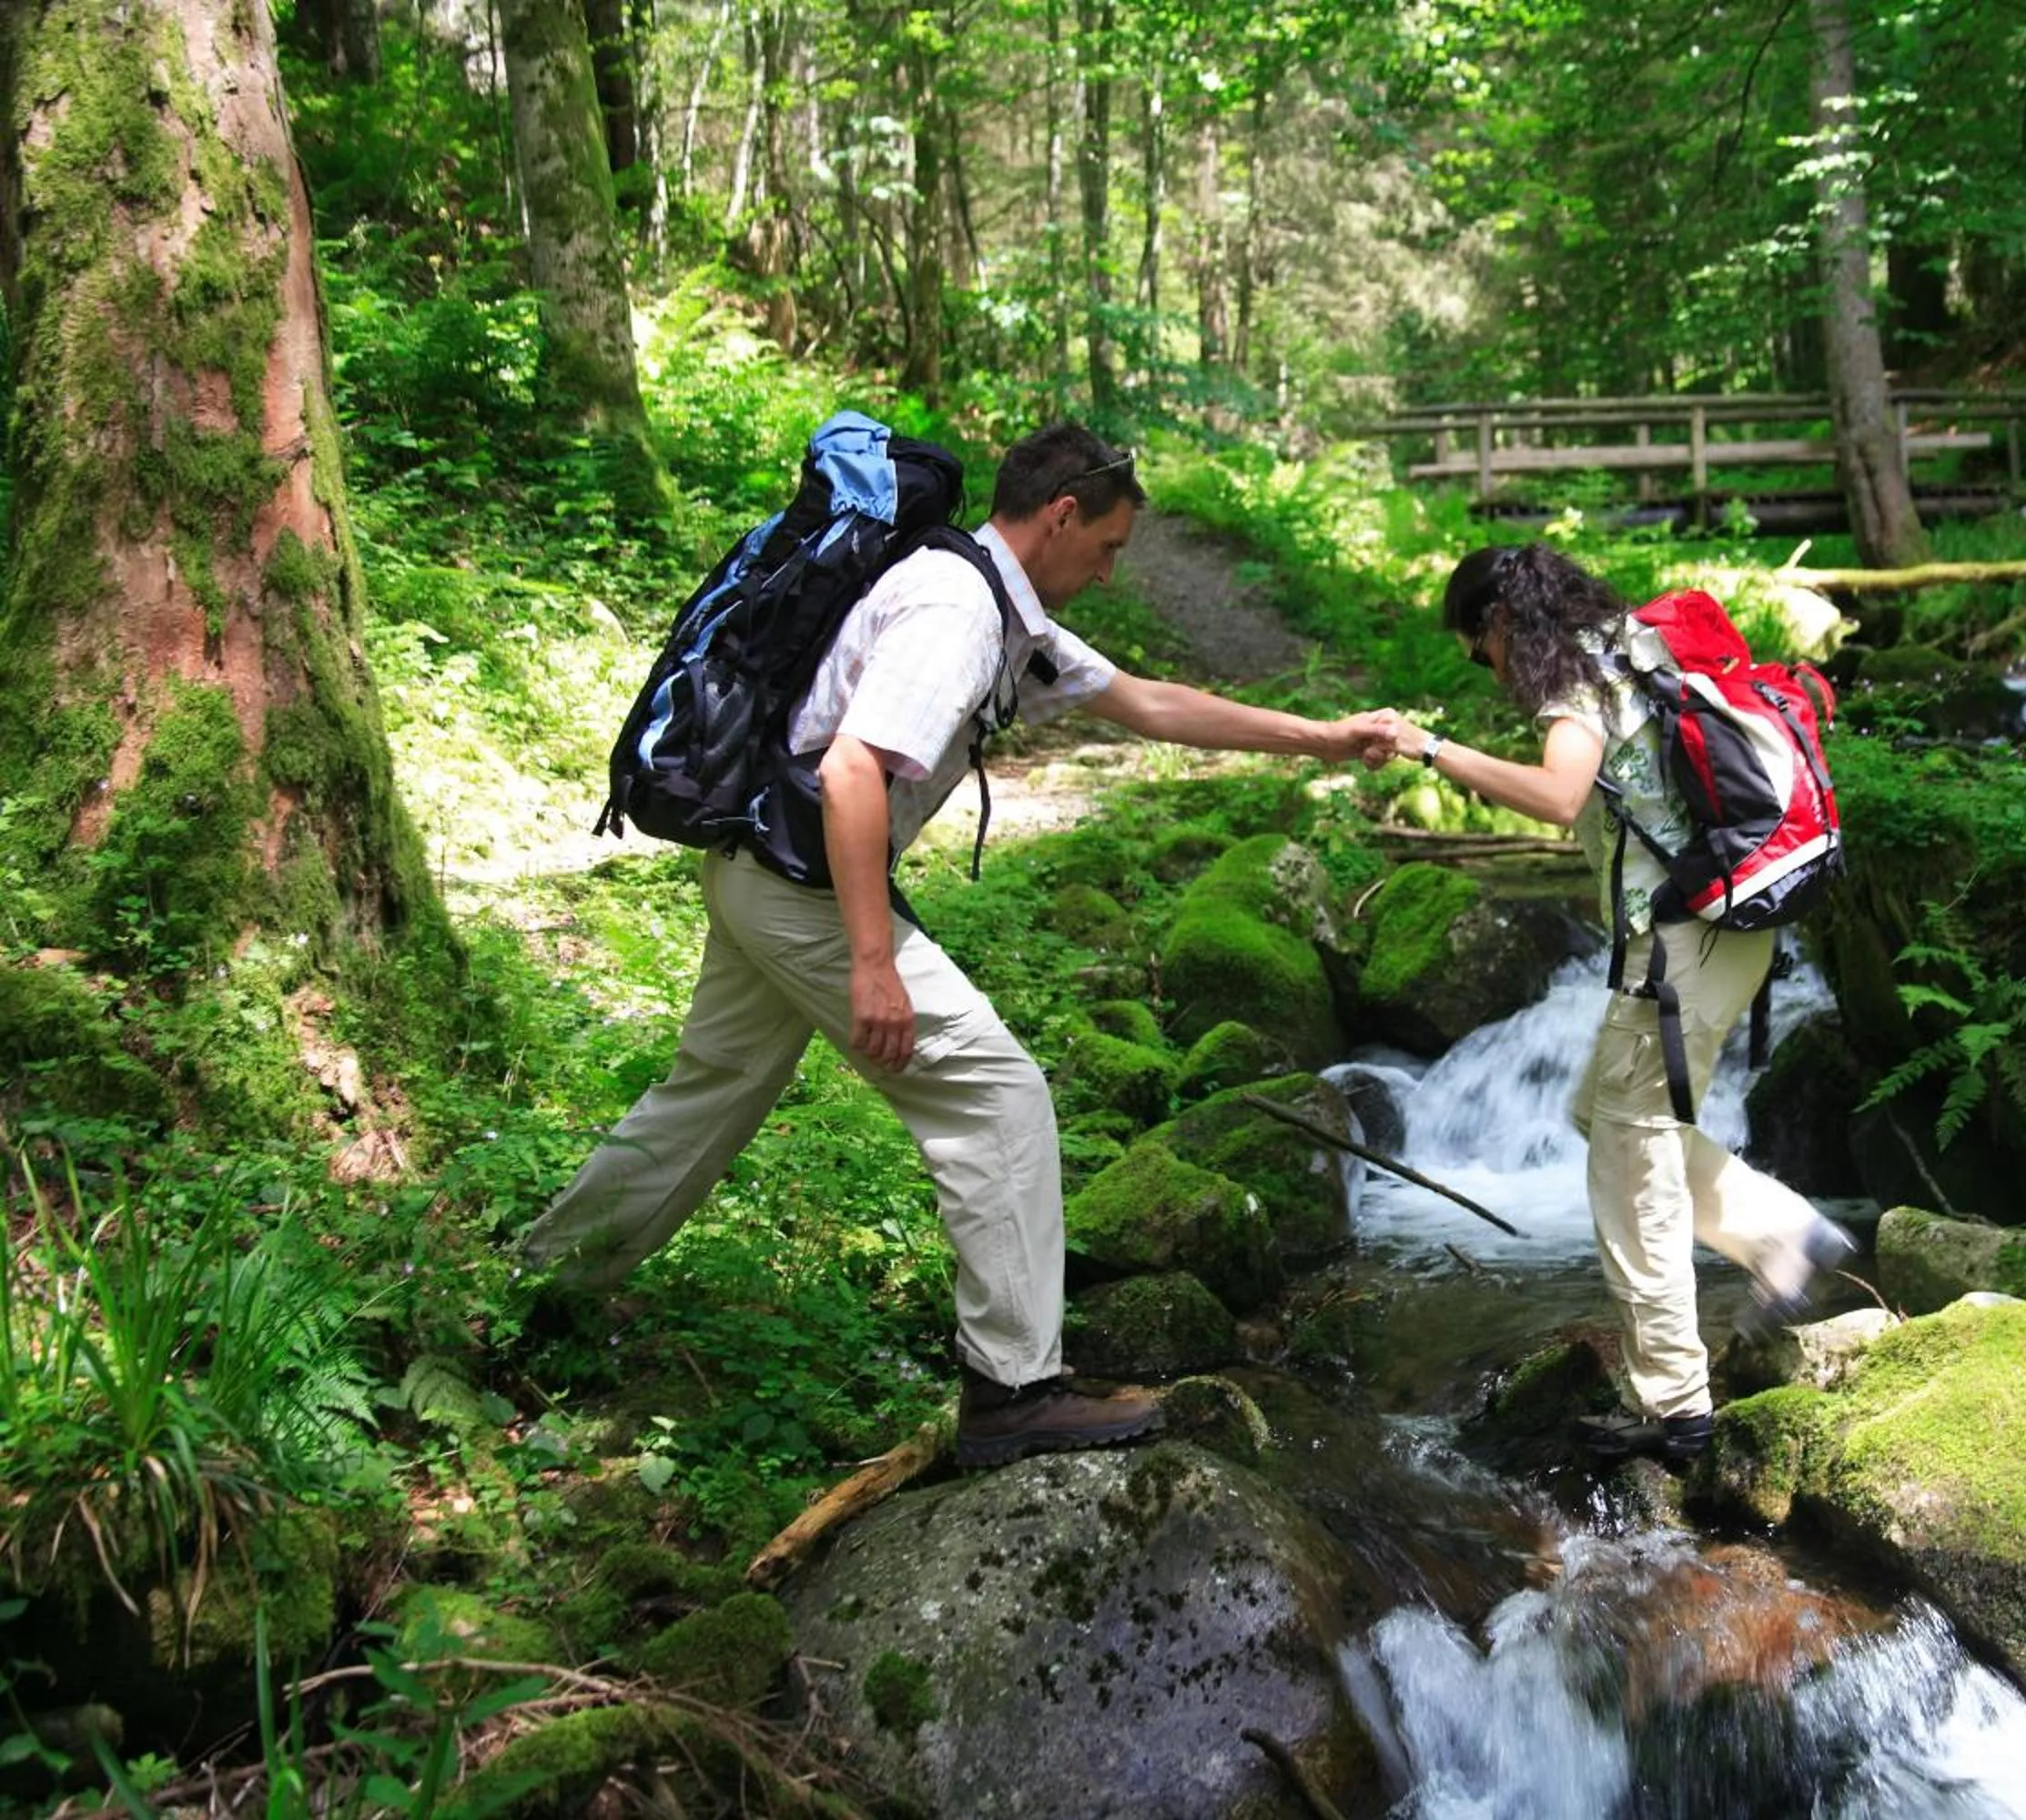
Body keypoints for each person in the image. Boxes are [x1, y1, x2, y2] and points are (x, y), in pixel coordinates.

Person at [522, 423, 1401, 1468]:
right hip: (801, 886)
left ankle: (541, 1285)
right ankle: (1014, 1388)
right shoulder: (957, 612)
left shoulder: (998, 604)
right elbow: (852, 770)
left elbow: (1151, 703)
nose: (1111, 573)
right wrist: (870, 960)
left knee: (708, 1089)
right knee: (999, 1094)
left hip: (763, 871)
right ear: (1061, 513)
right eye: (1109, 547)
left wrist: (1325, 735)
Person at [1375, 544, 1853, 1462]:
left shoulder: (1580, 682)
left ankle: (1676, 1403)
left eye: (1480, 648)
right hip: (1734, 926)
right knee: (1604, 1113)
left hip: (1683, 945)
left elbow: (1559, 794)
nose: (1490, 666)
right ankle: (1785, 1232)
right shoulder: (1637, 647)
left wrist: (1432, 748)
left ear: (1502, 620)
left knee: (1627, 1170)